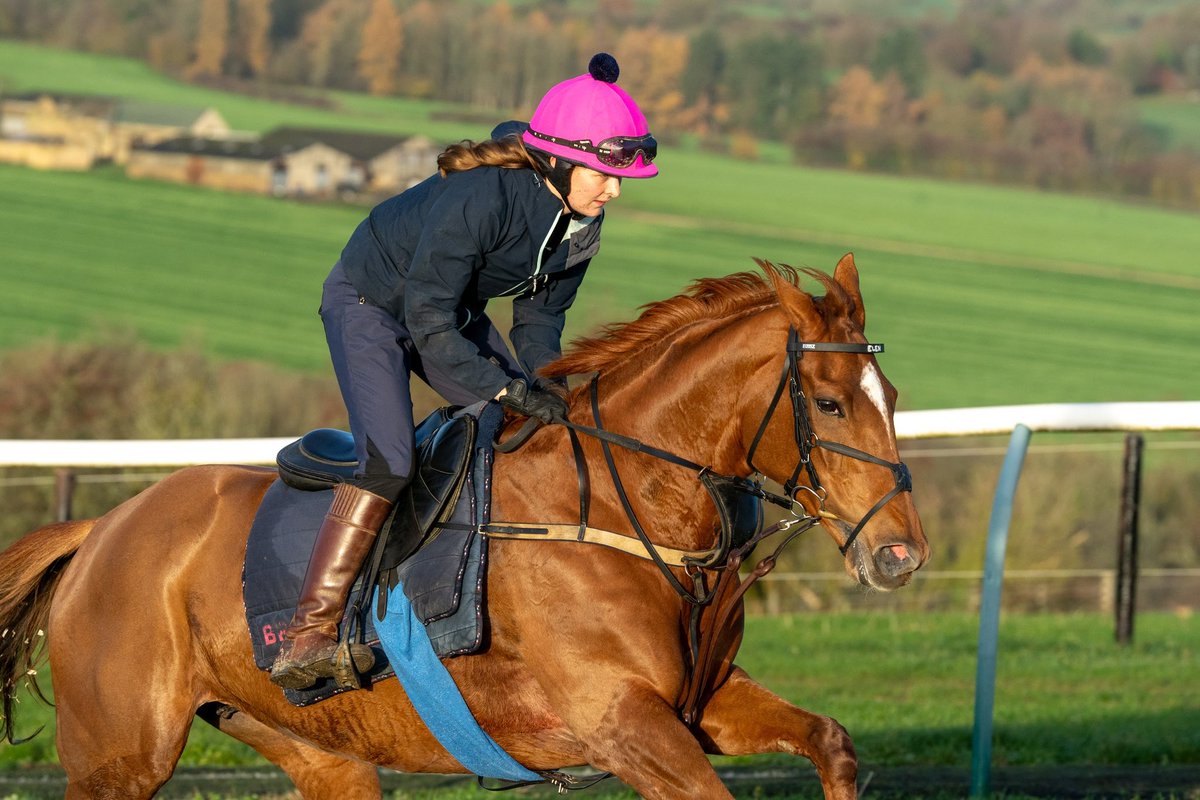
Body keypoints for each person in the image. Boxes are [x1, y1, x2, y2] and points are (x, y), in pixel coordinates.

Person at [270, 53, 659, 691]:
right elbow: (427, 324)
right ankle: (310, 629)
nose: (613, 190)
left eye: (622, 178)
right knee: (391, 460)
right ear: (559, 160)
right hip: (371, 305)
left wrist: (548, 387)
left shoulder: (583, 226)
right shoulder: (482, 199)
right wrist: (506, 387)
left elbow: (537, 326)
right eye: (606, 174)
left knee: (527, 427)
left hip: (447, 312)